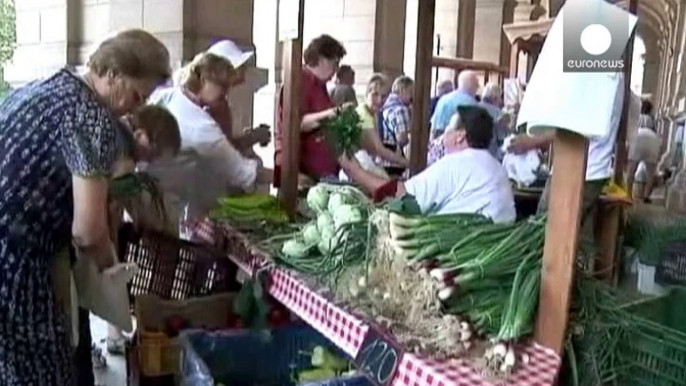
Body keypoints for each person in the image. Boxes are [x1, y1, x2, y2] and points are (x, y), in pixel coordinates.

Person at [0, 29, 170, 386]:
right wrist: (111, 271)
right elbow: (88, 230)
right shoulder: (92, 119)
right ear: (112, 74)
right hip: (18, 265)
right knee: (43, 374)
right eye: (137, 95)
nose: (137, 108)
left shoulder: (47, 83)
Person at [342, 105, 516, 223]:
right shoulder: (496, 167)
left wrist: (355, 170)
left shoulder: (456, 163)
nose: (443, 134)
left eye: (448, 128)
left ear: (460, 136)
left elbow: (402, 196)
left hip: (458, 255)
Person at [104, 105, 181, 356]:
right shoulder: (121, 149)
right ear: (140, 134)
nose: (150, 160)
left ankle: (115, 332)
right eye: (153, 152)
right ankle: (114, 331)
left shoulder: (122, 138)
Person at [150, 52, 272, 200]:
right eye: (222, 86)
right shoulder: (201, 127)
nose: (226, 93)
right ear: (203, 79)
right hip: (175, 197)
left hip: (155, 187)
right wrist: (282, 176)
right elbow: (242, 171)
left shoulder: (167, 95)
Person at [508, 74, 625, 228]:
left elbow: (577, 126)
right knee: (577, 234)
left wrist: (534, 140)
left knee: (546, 228)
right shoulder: (610, 74)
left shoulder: (598, 74)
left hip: (580, 170)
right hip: (591, 168)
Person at [274, 34, 350, 186]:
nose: (336, 70)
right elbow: (296, 123)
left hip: (321, 174)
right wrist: (334, 113)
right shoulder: (300, 80)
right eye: (335, 63)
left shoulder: (320, 86)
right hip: (301, 172)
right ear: (322, 59)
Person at [202, 40, 271, 157]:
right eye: (241, 69)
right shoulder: (215, 103)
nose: (243, 77)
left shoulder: (214, 99)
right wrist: (254, 137)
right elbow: (224, 149)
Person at [342, 74, 409, 179]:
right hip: (356, 166)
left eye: (384, 96)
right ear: (367, 93)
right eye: (375, 95)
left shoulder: (373, 113)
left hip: (362, 164)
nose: (379, 100)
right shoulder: (363, 114)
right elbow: (379, 149)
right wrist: (407, 163)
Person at [378, 76, 413, 177]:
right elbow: (402, 139)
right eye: (411, 91)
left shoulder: (384, 107)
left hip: (381, 158)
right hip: (395, 161)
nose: (413, 96)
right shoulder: (401, 110)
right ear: (403, 90)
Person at [626, 100, 660, 202]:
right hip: (653, 139)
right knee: (651, 173)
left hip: (638, 137)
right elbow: (655, 130)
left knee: (631, 170)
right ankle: (646, 196)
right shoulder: (652, 119)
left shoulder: (637, 117)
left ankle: (628, 194)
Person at [430, 70, 479, 139]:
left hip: (437, 138)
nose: (478, 87)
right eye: (477, 85)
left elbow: (434, 124)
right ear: (471, 85)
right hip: (455, 141)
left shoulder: (443, 99)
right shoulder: (471, 103)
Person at [479, 83, 508, 160]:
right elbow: (503, 137)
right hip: (492, 153)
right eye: (500, 97)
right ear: (494, 98)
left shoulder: (475, 106)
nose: (501, 101)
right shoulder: (497, 113)